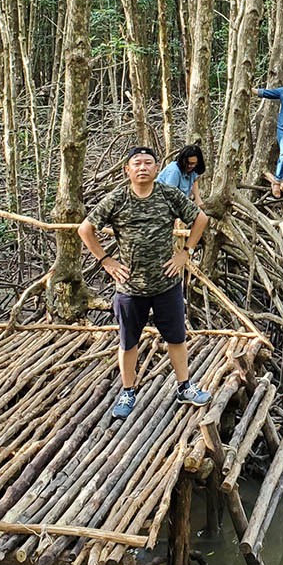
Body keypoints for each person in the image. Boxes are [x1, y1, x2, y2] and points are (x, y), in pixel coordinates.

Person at [78, 146, 213, 419]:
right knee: (128, 342)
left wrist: (185, 253)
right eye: (136, 163)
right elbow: (85, 229)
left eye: (148, 163)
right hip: (129, 287)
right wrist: (106, 260)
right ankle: (128, 391)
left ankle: (184, 386)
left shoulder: (168, 194)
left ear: (156, 169)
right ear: (127, 169)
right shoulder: (117, 199)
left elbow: (201, 218)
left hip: (167, 283)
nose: (142, 167)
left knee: (176, 337)